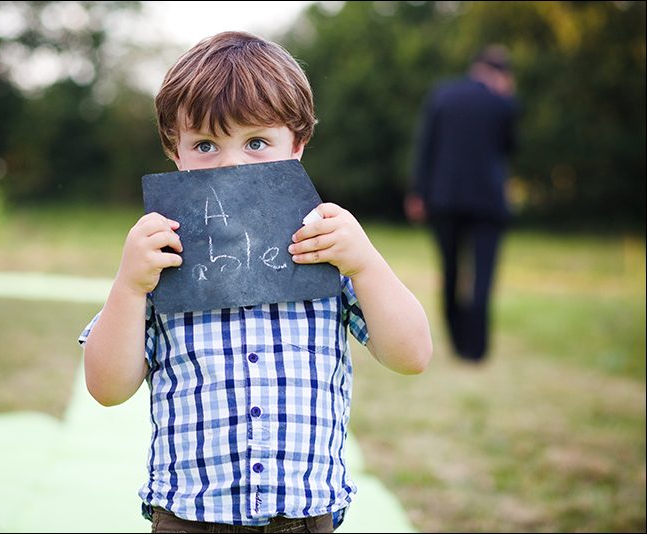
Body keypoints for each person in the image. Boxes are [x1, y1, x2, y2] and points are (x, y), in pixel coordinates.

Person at [80, 31, 432, 533]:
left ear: (298, 145)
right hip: (190, 517)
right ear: (174, 153)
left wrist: (367, 265)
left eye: (257, 143)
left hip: (304, 516)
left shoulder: (326, 250)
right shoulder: (163, 260)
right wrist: (129, 287)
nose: (232, 163)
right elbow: (108, 388)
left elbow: (412, 355)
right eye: (205, 144)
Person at [405, 45, 518, 363]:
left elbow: (426, 146)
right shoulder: (503, 102)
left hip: (445, 199)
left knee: (451, 272)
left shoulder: (443, 95)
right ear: (501, 74)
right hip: (488, 202)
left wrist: (417, 192)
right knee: (482, 276)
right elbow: (510, 146)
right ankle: (476, 349)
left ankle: (456, 344)